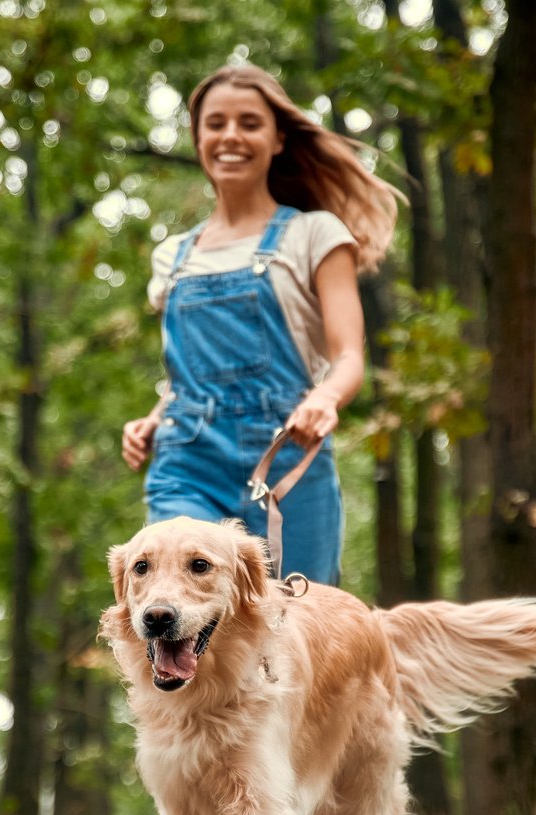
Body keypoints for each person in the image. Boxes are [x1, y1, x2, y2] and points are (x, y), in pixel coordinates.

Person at [121, 64, 400, 586]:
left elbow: (348, 358)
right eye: (216, 123)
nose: (231, 135)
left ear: (277, 140)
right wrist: (153, 419)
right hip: (187, 460)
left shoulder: (315, 234)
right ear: (198, 137)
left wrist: (325, 399)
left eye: (249, 123)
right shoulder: (173, 258)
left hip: (286, 453)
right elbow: (187, 378)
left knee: (300, 616)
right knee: (179, 604)